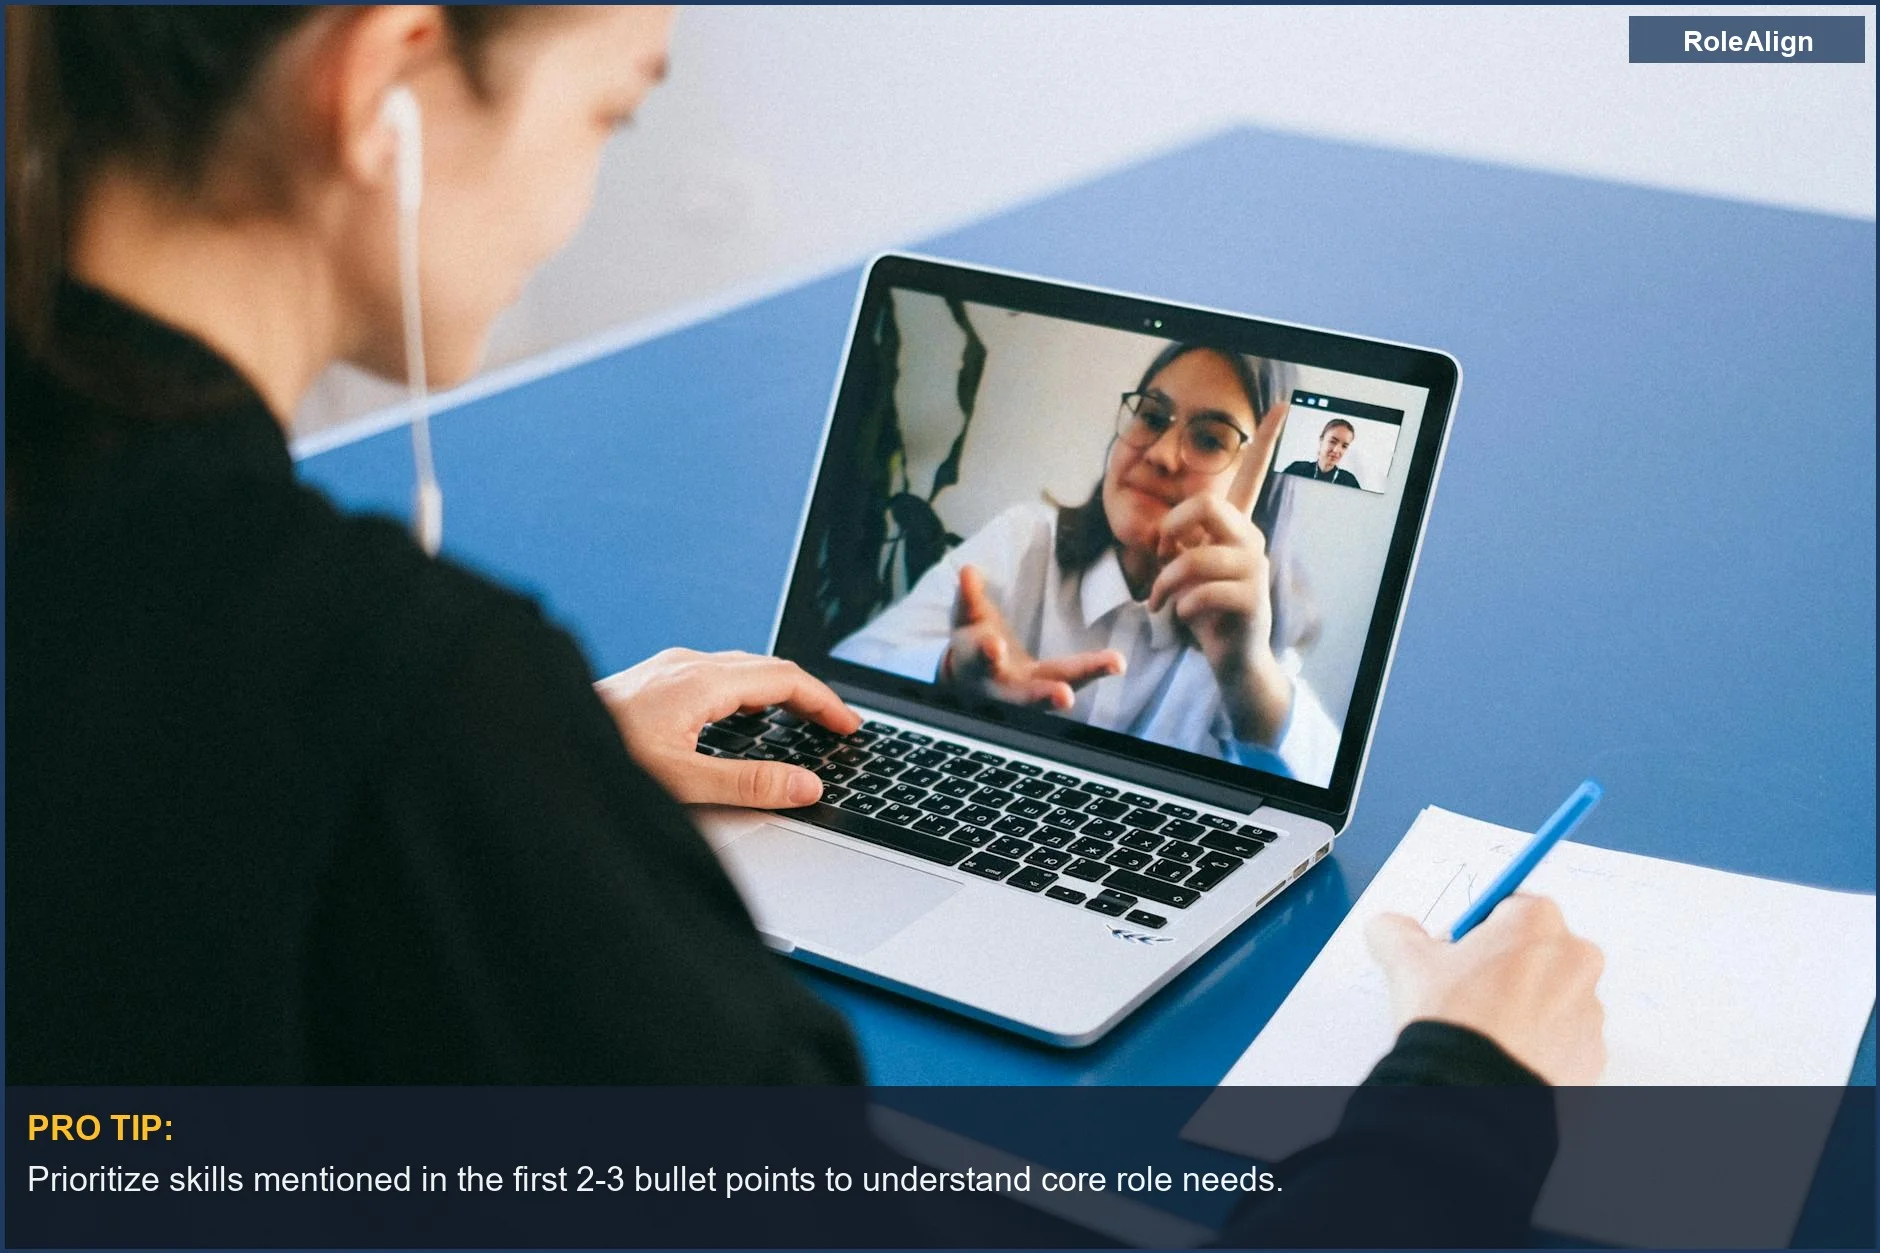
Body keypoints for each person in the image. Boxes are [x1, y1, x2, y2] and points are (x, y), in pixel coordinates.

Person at [6, 8, 1605, 1241]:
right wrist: (1469, 1094)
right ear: (387, 82)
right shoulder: (417, 699)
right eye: (609, 112)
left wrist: (546, 769)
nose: (581, 199)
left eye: (1211, 437)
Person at [834, 342, 1341, 784]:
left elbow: (1324, 799)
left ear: (1263, 487)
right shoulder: (1025, 540)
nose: (1161, 454)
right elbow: (847, 667)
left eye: (1209, 439)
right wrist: (949, 670)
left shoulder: (1248, 634)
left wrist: (1246, 671)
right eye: (1151, 417)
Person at [1282, 416, 1363, 487]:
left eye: (1344, 446)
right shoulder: (1297, 470)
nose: (1336, 450)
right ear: (1321, 440)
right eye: (1332, 442)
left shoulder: (1349, 481)